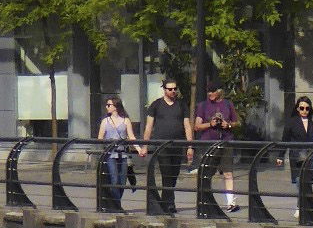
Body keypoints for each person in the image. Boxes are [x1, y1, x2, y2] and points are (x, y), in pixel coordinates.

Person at [141, 77, 192, 210]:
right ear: (164, 90)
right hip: (162, 144)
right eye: (170, 89)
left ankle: (166, 201)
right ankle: (169, 203)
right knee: (166, 172)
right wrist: (144, 145)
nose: (173, 91)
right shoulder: (156, 105)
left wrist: (189, 146)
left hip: (178, 144)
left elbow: (187, 126)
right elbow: (149, 126)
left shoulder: (182, 105)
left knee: (174, 174)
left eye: (175, 89)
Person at [194, 77, 239, 211]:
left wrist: (228, 125)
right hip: (208, 142)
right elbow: (196, 126)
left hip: (226, 141)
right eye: (208, 91)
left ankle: (230, 202)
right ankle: (205, 201)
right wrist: (210, 124)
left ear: (220, 91)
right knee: (207, 172)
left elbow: (236, 122)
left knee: (228, 173)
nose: (210, 94)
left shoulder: (228, 104)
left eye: (212, 91)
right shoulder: (203, 106)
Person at [97, 93, 135, 205]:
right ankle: (116, 205)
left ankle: (116, 203)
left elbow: (131, 137)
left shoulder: (125, 120)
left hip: (123, 154)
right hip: (110, 154)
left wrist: (139, 148)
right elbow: (100, 137)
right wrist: (107, 143)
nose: (106, 107)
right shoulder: (105, 121)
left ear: (115, 106)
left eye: (109, 105)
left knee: (122, 181)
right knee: (114, 179)